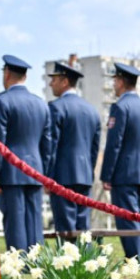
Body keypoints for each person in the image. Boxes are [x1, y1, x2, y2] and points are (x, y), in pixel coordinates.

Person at [0, 55, 52, 251]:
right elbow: (47, 144)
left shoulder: (1, 101)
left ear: (7, 74)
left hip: (11, 171)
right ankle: (36, 264)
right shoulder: (41, 103)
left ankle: (19, 263)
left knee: (15, 222)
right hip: (35, 170)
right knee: (34, 222)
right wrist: (44, 174)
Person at [100, 62, 140, 264]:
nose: (114, 85)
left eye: (115, 81)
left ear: (121, 82)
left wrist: (106, 176)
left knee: (128, 219)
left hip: (124, 174)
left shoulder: (120, 107)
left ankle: (135, 262)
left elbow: (114, 144)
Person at [46, 62, 100, 235]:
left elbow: (51, 145)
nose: (50, 84)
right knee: (83, 230)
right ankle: (87, 261)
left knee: (65, 229)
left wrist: (47, 176)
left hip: (62, 176)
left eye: (54, 79)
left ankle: (70, 263)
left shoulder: (56, 107)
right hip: (84, 175)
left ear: (64, 81)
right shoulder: (92, 110)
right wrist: (88, 170)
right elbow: (94, 147)